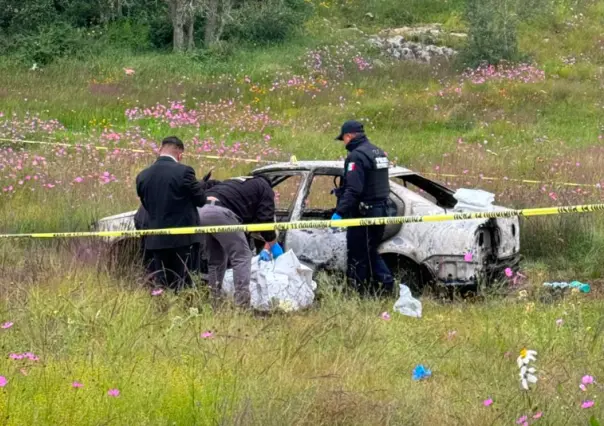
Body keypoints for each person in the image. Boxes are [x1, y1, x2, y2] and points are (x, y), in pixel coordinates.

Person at [331, 120, 395, 296]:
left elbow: (353, 189)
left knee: (358, 255)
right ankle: (382, 288)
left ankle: (360, 293)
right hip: (380, 211)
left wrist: (339, 212)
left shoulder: (356, 156)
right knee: (369, 251)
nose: (344, 143)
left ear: (349, 136)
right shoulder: (378, 152)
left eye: (343, 138)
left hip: (363, 214)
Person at [200, 175, 284, 308]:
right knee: (242, 256)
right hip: (221, 213)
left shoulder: (236, 182)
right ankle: (242, 304)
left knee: (216, 260)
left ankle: (214, 301)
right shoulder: (265, 187)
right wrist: (272, 241)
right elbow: (265, 220)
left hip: (201, 210)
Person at [135, 136, 206, 290]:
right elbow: (201, 200)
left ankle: (164, 310)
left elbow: (146, 204)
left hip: (156, 240)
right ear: (180, 154)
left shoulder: (142, 176)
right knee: (184, 283)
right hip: (183, 240)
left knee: (162, 283)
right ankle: (183, 310)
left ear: (160, 150)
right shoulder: (185, 171)